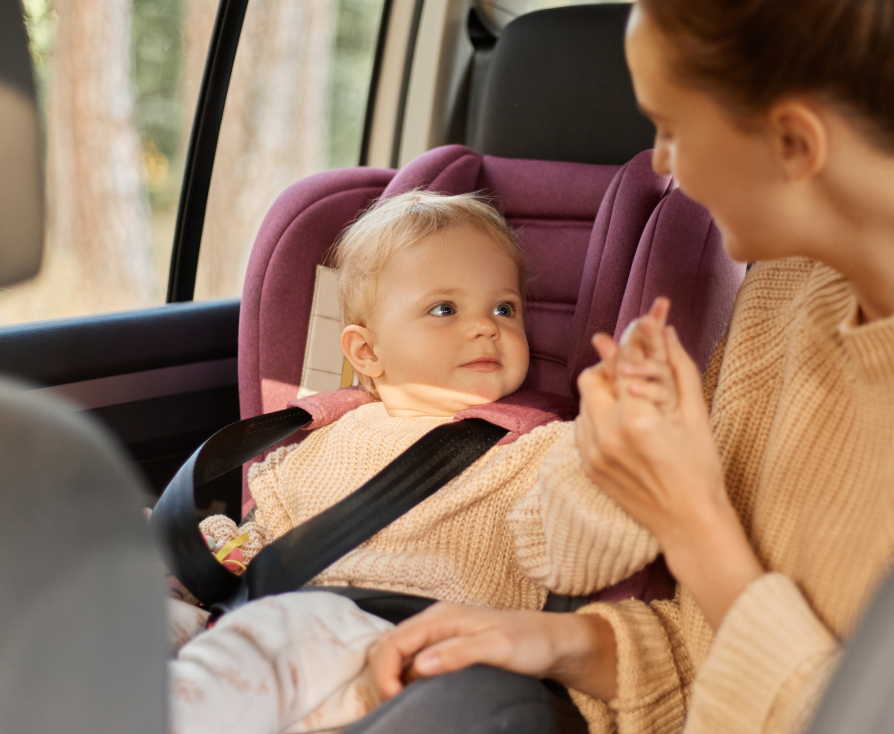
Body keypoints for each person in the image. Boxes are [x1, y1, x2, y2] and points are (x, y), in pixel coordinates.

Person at [359, 0, 894, 733]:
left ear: (795, 142)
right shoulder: (791, 287)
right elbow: (717, 653)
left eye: (671, 128)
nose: (662, 165)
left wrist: (696, 524)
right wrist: (548, 639)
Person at [166, 190, 662, 734]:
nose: (486, 327)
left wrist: (612, 447)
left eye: (505, 308)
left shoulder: (539, 450)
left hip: (414, 653)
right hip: (289, 647)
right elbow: (266, 552)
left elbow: (581, 556)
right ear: (367, 353)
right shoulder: (319, 441)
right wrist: (197, 564)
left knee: (274, 632)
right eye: (444, 309)